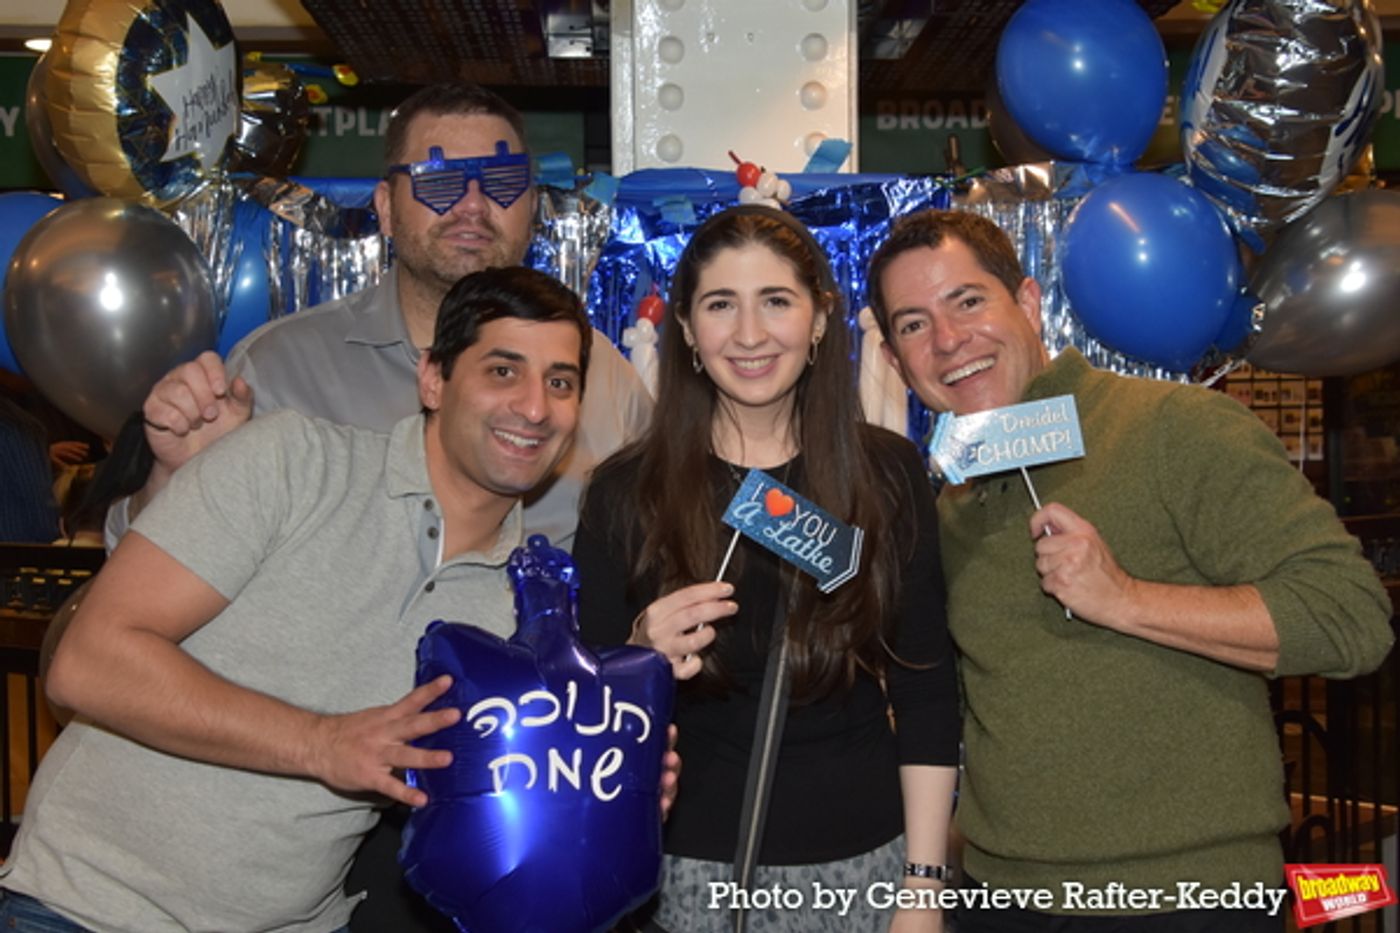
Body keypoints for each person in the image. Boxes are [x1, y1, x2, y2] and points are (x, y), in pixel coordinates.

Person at [119, 83, 654, 930]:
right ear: (385, 204)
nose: (474, 204)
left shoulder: (604, 386)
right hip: (259, 820)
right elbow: (126, 611)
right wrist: (168, 478)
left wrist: (621, 735)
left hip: (502, 808)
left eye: (501, 179)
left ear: (533, 206)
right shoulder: (282, 369)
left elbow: (629, 587)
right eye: (440, 180)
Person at [0, 266, 596, 931]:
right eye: (503, 371)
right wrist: (320, 741)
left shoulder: (521, 608)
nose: (536, 407)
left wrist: (607, 781)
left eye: (561, 382)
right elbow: (89, 661)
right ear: (433, 379)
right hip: (87, 907)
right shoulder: (292, 461)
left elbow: (489, 802)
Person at [866, 209, 1395, 933]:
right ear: (896, 361)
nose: (949, 339)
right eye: (914, 324)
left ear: (1025, 302)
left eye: (967, 300)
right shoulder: (955, 500)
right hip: (1002, 898)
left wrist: (1126, 598)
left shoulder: (1174, 426)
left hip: (1183, 899)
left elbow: (1349, 618)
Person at [574, 205, 961, 933]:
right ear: (687, 328)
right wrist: (636, 658)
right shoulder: (626, 490)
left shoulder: (885, 471)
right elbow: (581, 716)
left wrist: (924, 885)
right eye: (721, 305)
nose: (749, 334)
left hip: (865, 868)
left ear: (818, 319)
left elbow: (927, 687)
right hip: (683, 876)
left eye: (776, 302)